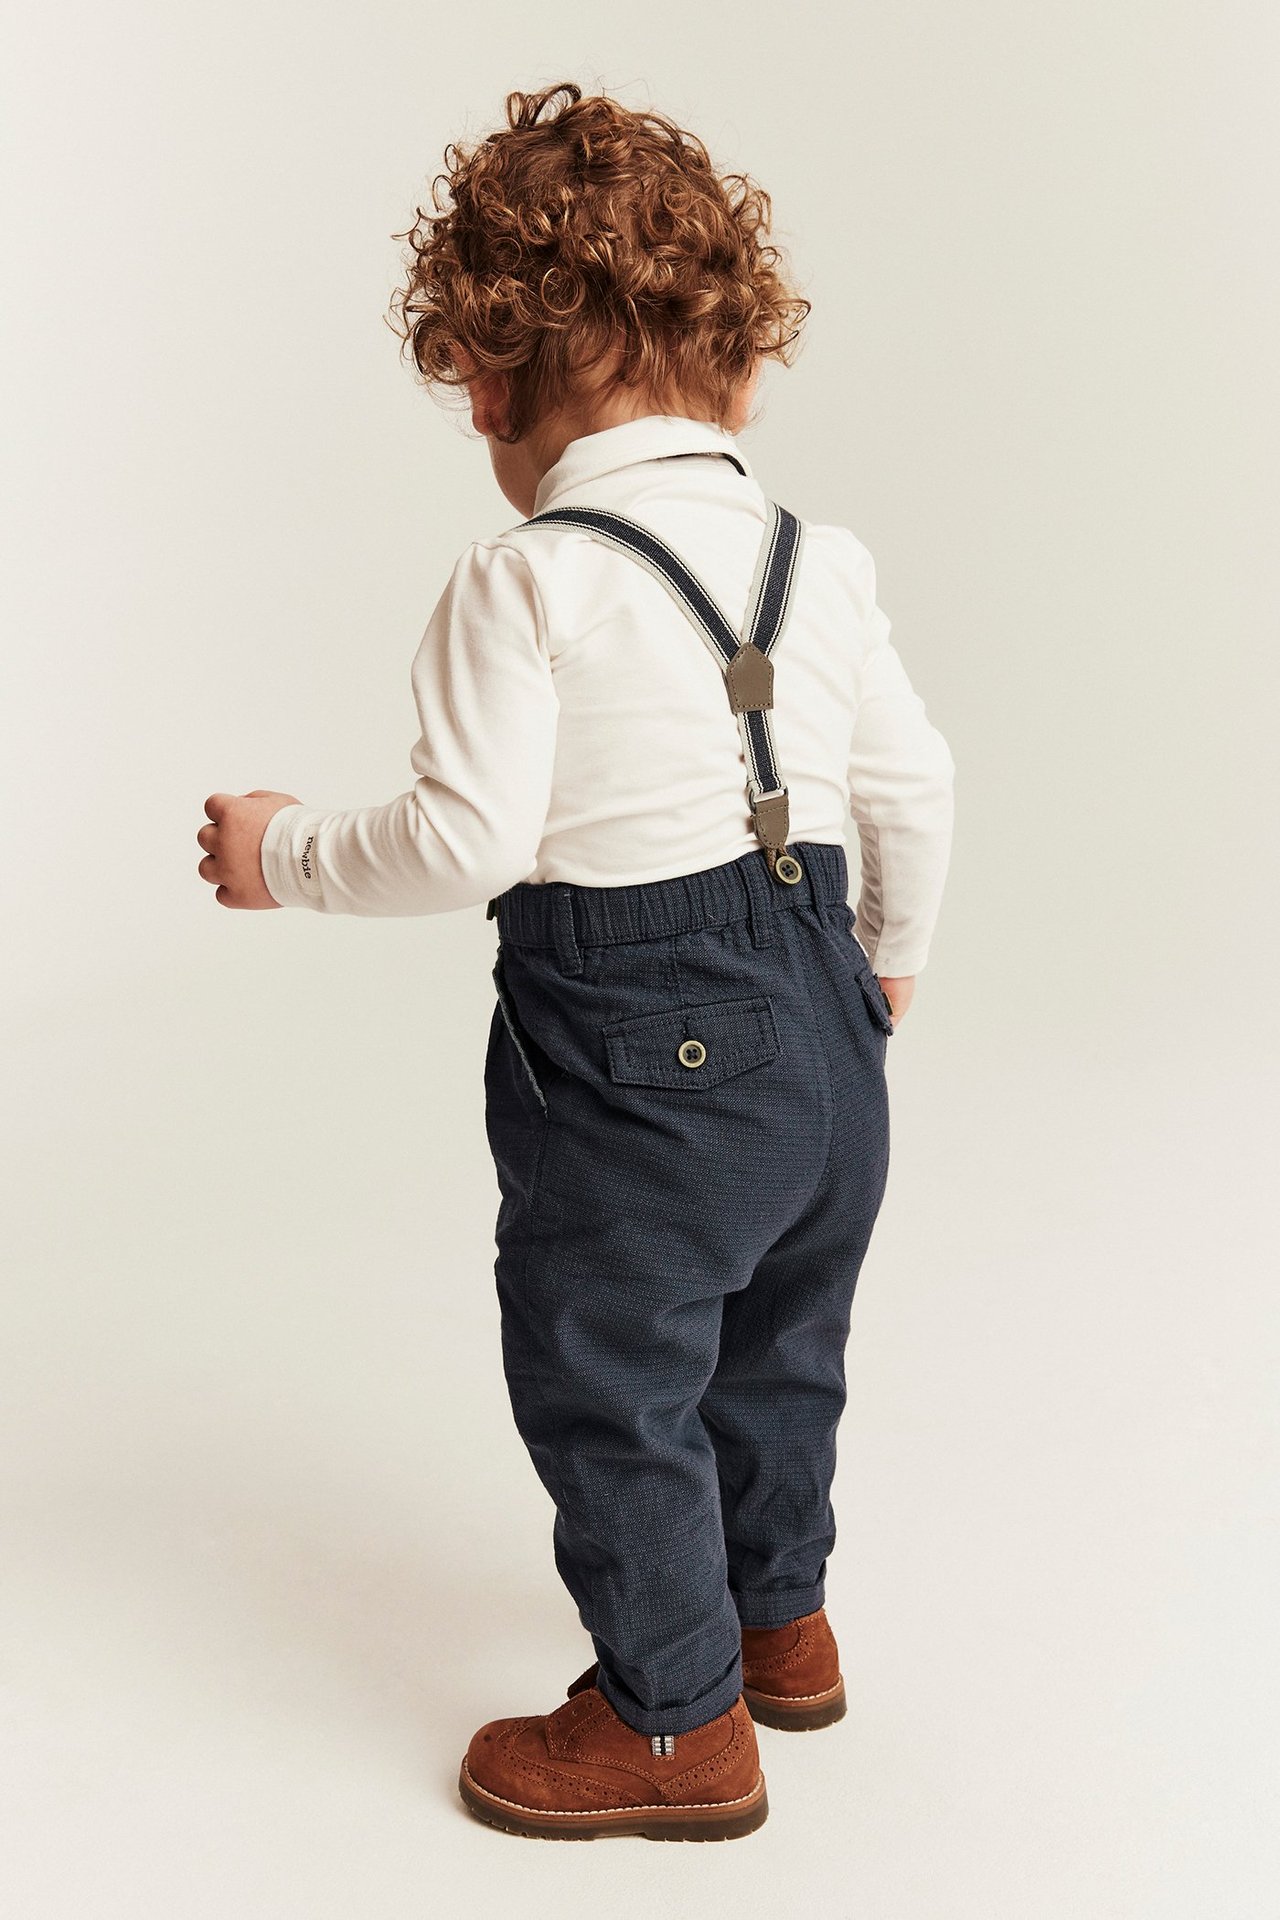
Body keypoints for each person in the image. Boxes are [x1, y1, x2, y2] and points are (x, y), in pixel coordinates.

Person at [196, 81, 955, 1842]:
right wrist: (886, 967)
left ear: (486, 388)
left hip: (643, 1057)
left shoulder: (524, 577)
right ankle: (784, 1625)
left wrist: (287, 853)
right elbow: (914, 783)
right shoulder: (819, 563)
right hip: (833, 1047)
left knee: (614, 1376)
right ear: (748, 370)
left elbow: (465, 840)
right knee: (783, 1346)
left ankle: (676, 1725)